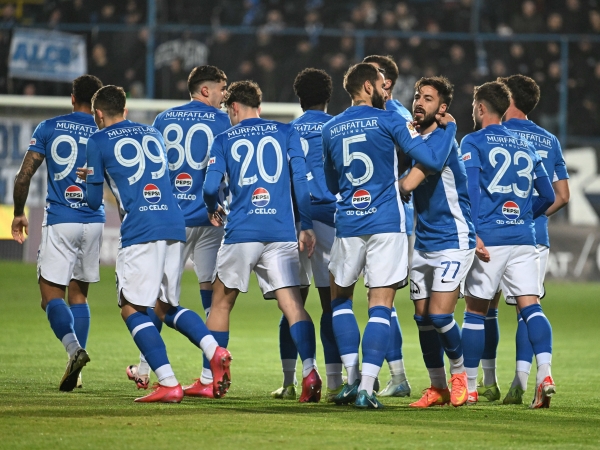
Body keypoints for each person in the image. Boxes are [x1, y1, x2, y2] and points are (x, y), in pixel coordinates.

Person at [85, 85, 231, 403]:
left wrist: (90, 178)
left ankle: (167, 382)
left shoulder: (97, 140)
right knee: (165, 307)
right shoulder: (150, 133)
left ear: (98, 114)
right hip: (174, 222)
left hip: (141, 228)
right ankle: (215, 350)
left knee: (131, 308)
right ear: (125, 110)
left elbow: (93, 200)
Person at [322, 63, 456, 409]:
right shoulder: (390, 120)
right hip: (385, 223)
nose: (388, 90)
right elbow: (430, 160)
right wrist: (449, 129)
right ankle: (367, 388)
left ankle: (351, 380)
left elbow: (332, 183)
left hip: (348, 223)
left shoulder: (330, 127)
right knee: (380, 304)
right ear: (368, 87)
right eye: (383, 85)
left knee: (340, 301)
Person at [202, 80, 322, 403]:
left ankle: (214, 375)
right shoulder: (286, 132)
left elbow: (211, 187)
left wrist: (213, 207)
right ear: (259, 105)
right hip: (280, 232)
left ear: (234, 108)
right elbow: (300, 181)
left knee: (221, 303)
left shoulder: (224, 139)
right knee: (293, 305)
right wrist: (306, 225)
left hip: (242, 231)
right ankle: (311, 371)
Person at [126, 66, 232, 397]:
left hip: (172, 221)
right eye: (221, 89)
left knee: (156, 298)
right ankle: (209, 377)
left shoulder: (163, 119)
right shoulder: (224, 122)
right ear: (205, 90)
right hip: (212, 219)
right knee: (212, 299)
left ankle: (146, 370)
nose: (225, 95)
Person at [461, 81, 556, 408]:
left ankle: (470, 387)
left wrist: (474, 231)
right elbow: (549, 195)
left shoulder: (472, 141)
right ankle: (545, 374)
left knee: (475, 311)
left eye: (474, 105)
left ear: (481, 107)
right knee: (531, 307)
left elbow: (471, 191)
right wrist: (525, 217)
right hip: (524, 239)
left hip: (490, 239)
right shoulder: (526, 145)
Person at [11, 75, 104, 392]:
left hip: (61, 219)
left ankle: (74, 350)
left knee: (50, 297)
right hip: (94, 221)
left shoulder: (49, 127)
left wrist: (18, 213)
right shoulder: (104, 132)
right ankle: (76, 372)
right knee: (79, 295)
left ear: (72, 98)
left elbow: (24, 176)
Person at [486, 74, 569, 405]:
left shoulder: (496, 135)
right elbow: (562, 196)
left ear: (508, 100)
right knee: (528, 307)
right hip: (535, 236)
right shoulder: (549, 140)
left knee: (482, 308)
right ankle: (526, 379)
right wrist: (531, 216)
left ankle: (485, 381)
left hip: (495, 232)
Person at [398, 76, 476, 408]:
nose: (419, 101)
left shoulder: (445, 141)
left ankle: (461, 377)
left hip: (453, 240)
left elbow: (409, 184)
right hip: (424, 242)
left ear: (442, 108)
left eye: (428, 98)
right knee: (422, 319)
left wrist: (451, 128)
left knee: (441, 316)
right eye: (417, 96)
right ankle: (437, 386)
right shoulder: (415, 139)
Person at [270, 68, 342, 402]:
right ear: (328, 97)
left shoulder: (287, 131)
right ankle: (335, 383)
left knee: (292, 305)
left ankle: (290, 381)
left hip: (295, 222)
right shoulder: (338, 127)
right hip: (329, 219)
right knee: (332, 305)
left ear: (298, 99)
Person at [362, 54, 412, 398]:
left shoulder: (395, 115)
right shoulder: (385, 114)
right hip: (380, 216)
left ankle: (392, 375)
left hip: (392, 218)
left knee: (382, 299)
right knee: (380, 300)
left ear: (386, 83)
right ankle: (390, 374)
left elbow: (416, 160)